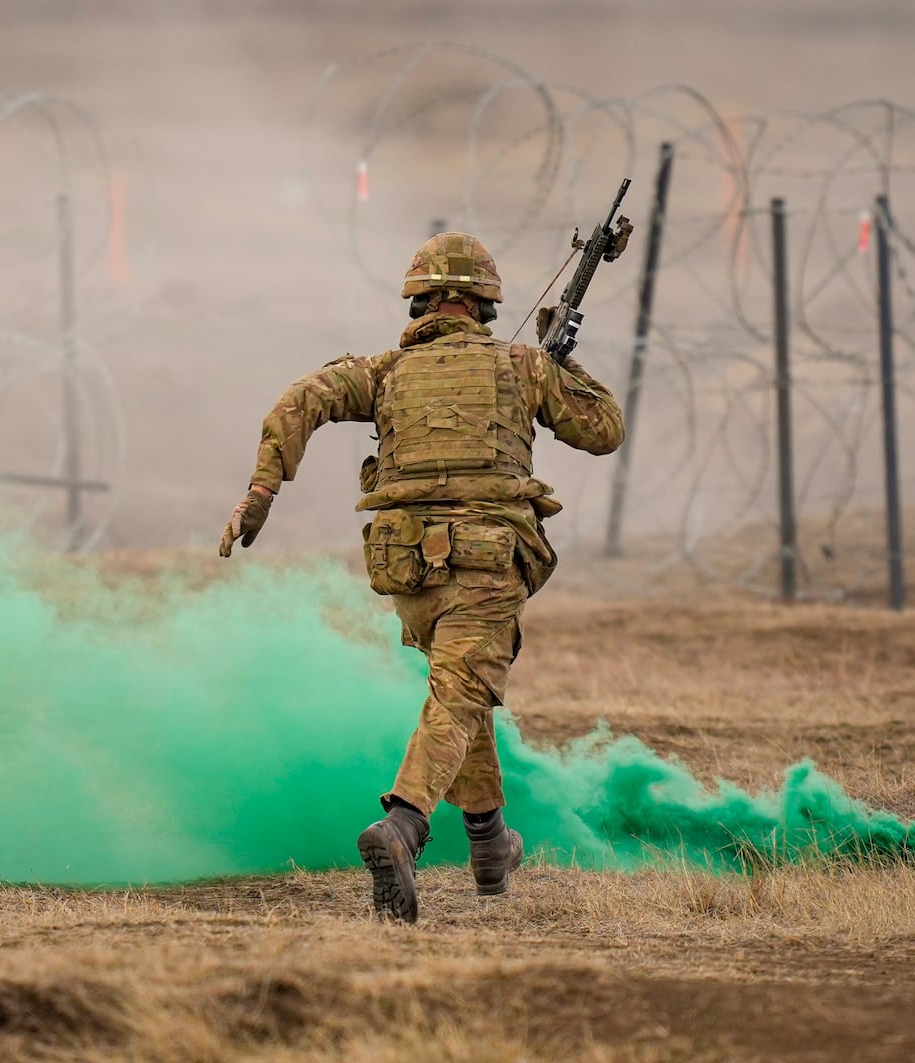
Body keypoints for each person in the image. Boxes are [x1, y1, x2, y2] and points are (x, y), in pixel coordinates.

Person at [218, 232, 625, 923]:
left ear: (418, 300)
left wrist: (260, 494)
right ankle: (403, 826)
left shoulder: (382, 373)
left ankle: (491, 843)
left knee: (460, 692)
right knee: (460, 692)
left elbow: (300, 399)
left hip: (406, 570)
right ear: (486, 304)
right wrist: (566, 359)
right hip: (487, 563)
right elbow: (604, 428)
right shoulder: (524, 367)